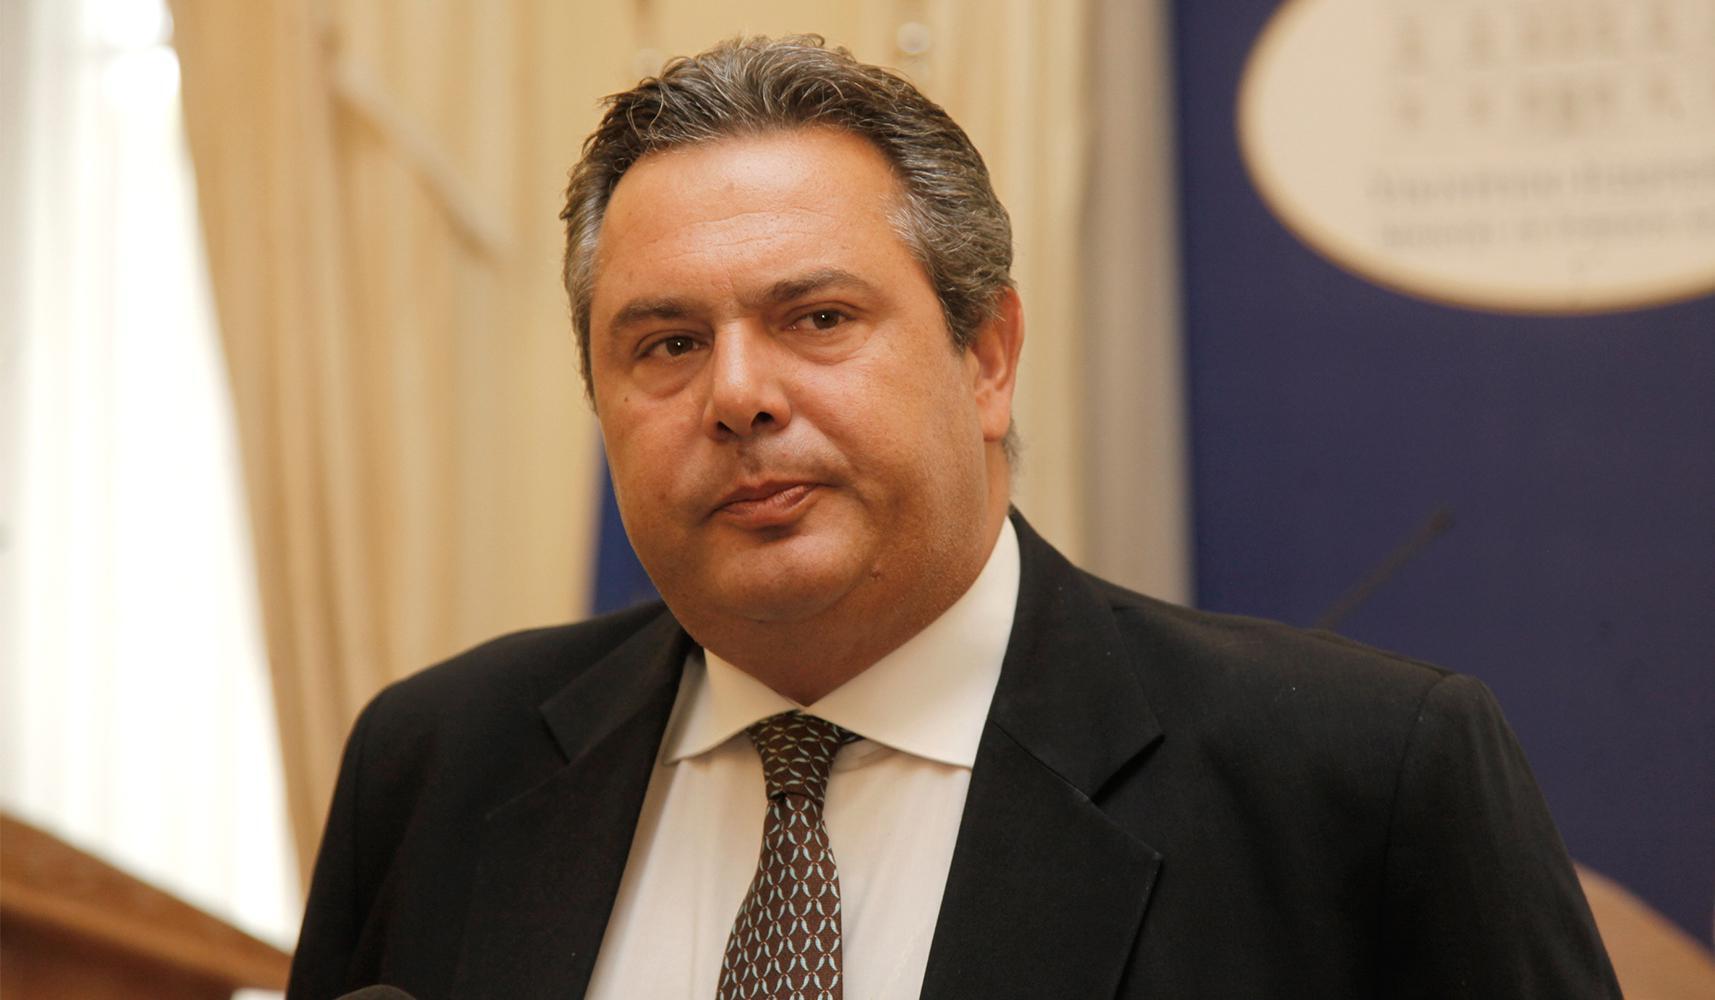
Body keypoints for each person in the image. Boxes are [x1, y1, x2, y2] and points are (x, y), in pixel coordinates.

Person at [287, 36, 1620, 1000]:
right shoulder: (438, 764)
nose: (738, 395)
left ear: (987, 356)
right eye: (668, 344)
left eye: (817, 317)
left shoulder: (1360, 783)